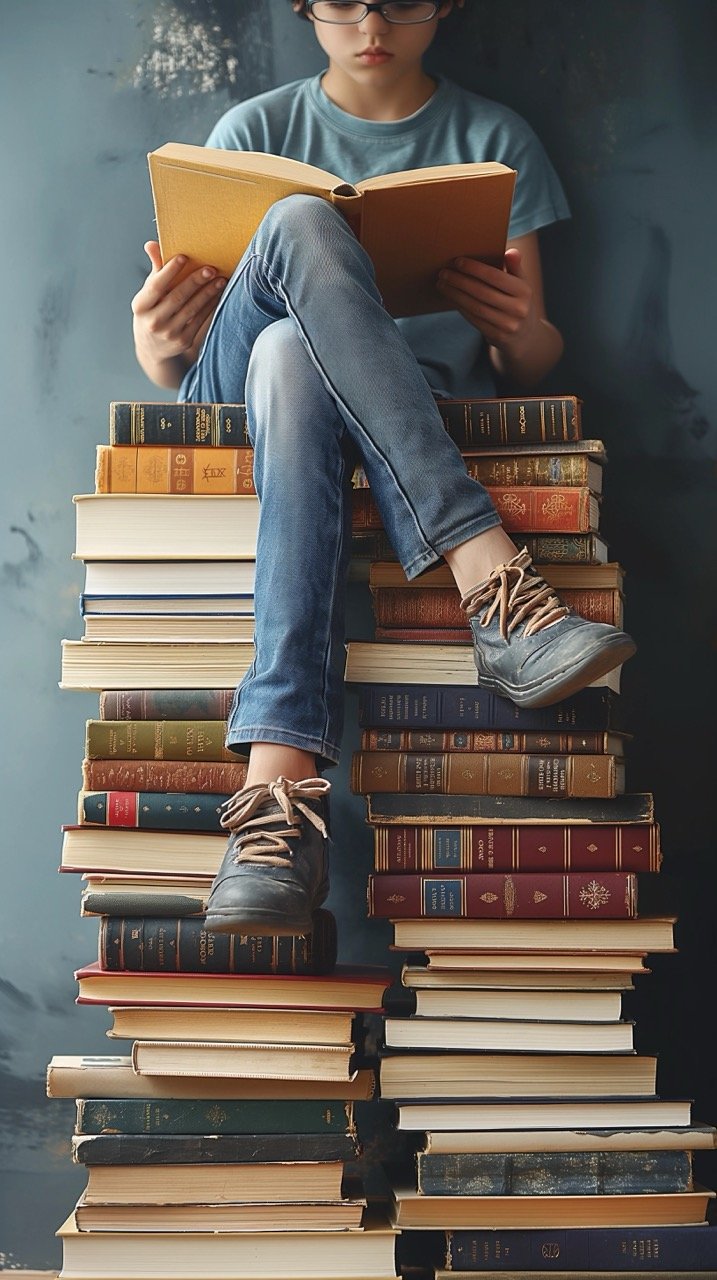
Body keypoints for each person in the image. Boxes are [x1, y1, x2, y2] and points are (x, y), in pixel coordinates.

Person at [131, 0, 635, 937]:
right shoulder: (255, 128)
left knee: (292, 353)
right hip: (238, 399)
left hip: (397, 404)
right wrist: (154, 347)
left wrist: (522, 331)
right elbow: (188, 364)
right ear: (303, 6)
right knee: (295, 227)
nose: (371, 23)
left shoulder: (492, 135)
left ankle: (275, 804)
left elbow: (526, 361)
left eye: (400, 0)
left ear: (443, 4)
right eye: (343, 1)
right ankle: (493, 580)